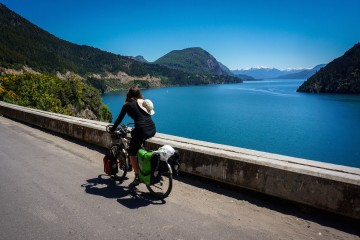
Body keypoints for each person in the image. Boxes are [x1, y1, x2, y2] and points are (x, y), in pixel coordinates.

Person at [110, 85, 156, 188]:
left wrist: (112, 129)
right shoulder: (142, 103)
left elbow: (119, 119)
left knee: (131, 153)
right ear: (139, 94)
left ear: (128, 94)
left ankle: (137, 176)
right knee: (138, 142)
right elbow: (143, 118)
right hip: (152, 128)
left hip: (142, 129)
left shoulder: (127, 105)